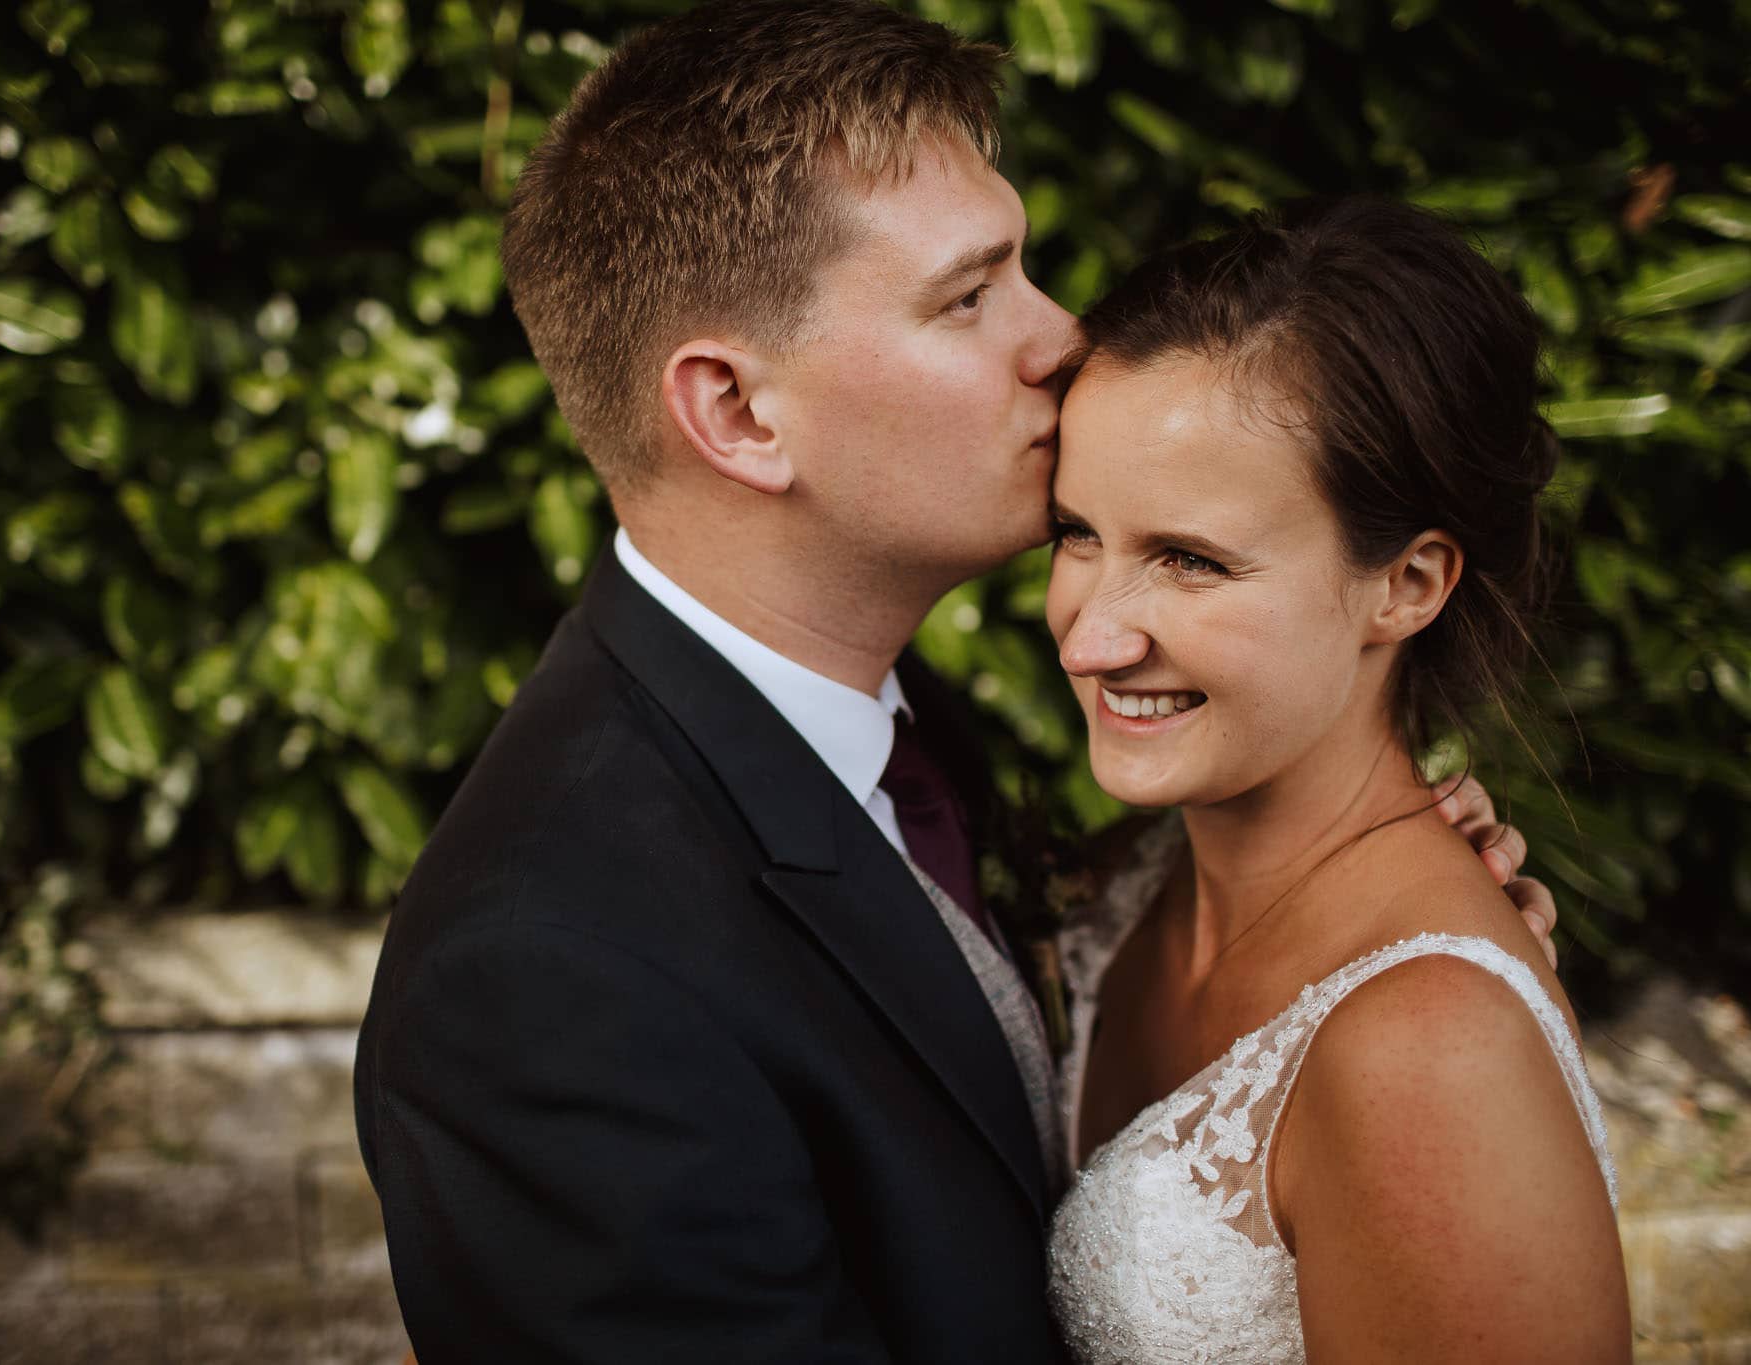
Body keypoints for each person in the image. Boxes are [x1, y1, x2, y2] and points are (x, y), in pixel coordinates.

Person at [352, 4, 1557, 1361]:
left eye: (1024, 269)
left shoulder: (895, 723)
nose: (1060, 337)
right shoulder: (545, 979)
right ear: (740, 415)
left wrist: (1369, 915)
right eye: (970, 296)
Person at [1042, 196, 1628, 1362]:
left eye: (1189, 560)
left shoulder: (1431, 1050)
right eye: (1075, 534)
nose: (1086, 637)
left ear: (1406, 584)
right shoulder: (1126, 882)